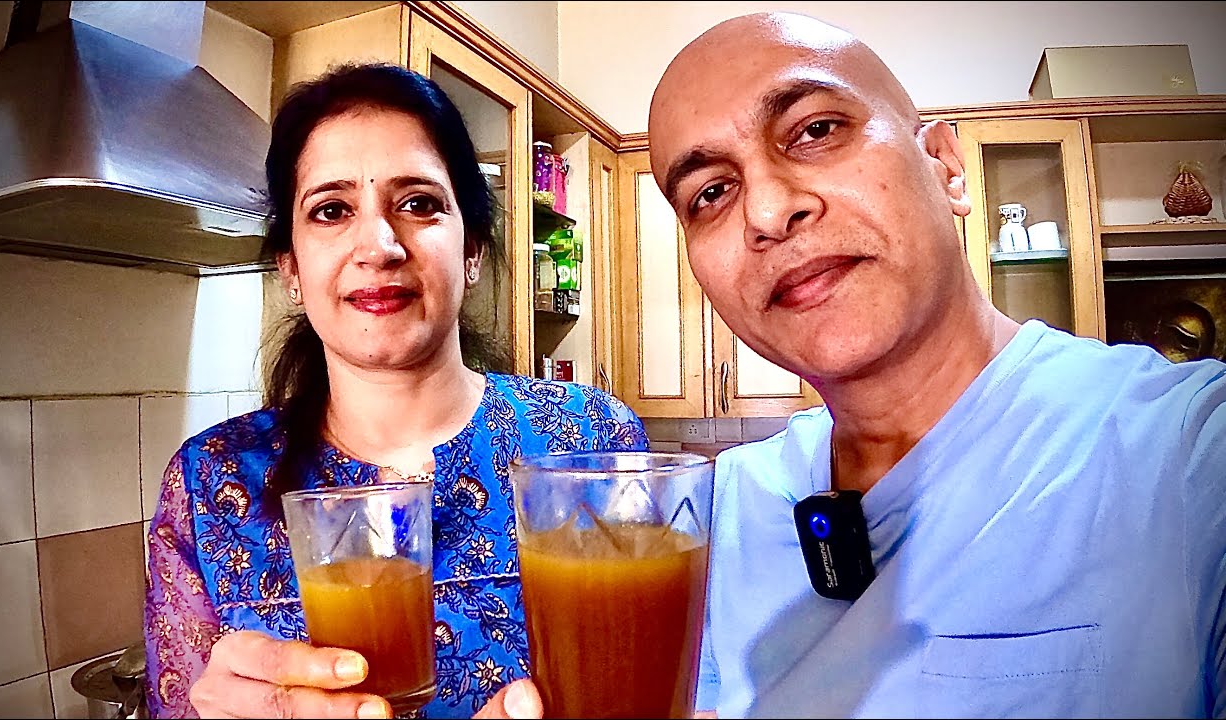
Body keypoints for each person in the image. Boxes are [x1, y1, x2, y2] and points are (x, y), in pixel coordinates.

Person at [484, 10, 1226, 720]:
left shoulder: (1188, 452)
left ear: (945, 167)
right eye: (710, 193)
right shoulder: (717, 512)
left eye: (815, 130)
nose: (767, 213)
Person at [143, 62, 647, 720]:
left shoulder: (591, 439)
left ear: (472, 250)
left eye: (418, 204)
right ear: (291, 268)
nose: (378, 246)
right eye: (331, 210)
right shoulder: (210, 481)